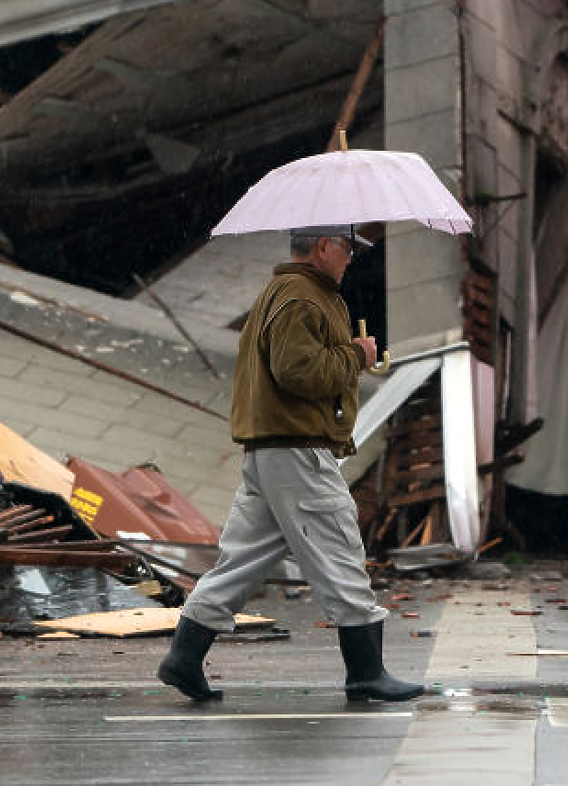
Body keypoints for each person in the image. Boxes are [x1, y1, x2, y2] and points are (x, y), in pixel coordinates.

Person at [157, 224, 423, 703]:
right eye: (346, 249)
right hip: (298, 450)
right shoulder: (303, 298)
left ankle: (184, 657)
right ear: (322, 247)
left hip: (269, 451)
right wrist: (354, 356)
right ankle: (366, 672)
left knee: (240, 561)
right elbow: (298, 371)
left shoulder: (280, 292)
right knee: (341, 551)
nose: (349, 259)